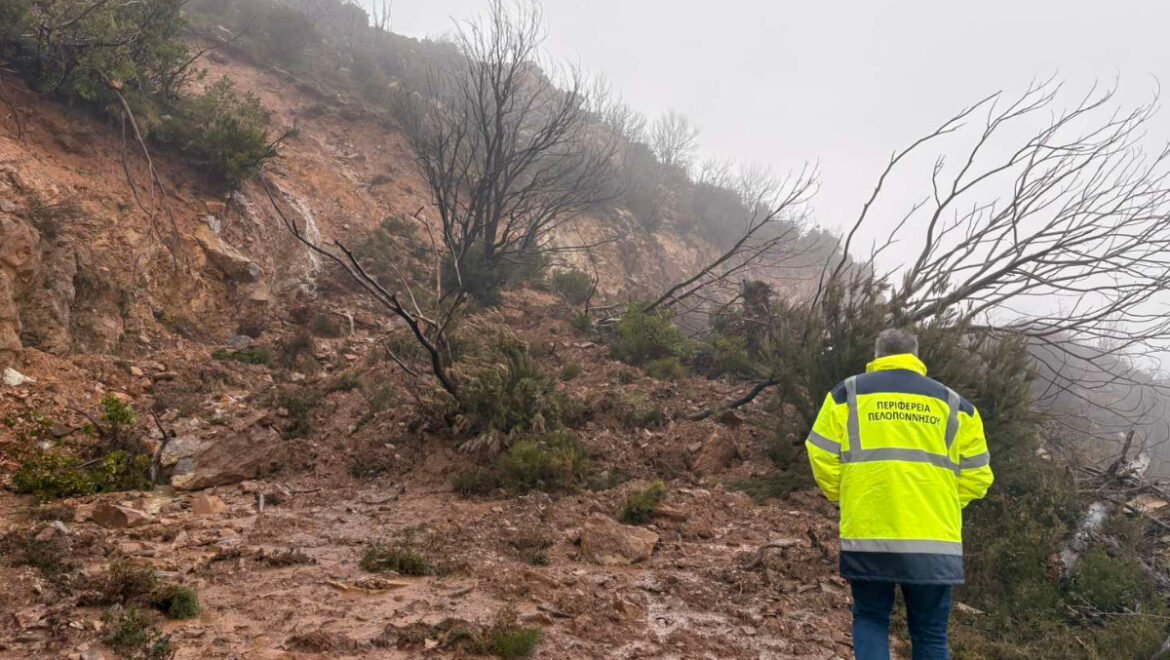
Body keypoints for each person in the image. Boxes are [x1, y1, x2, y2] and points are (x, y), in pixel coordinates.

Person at [805, 328, 994, 660]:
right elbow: (978, 476)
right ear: (916, 357)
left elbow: (819, 453)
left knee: (871, 618)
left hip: (869, 531)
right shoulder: (956, 405)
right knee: (931, 634)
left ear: (877, 356)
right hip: (935, 538)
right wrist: (944, 502)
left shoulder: (847, 394)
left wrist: (846, 495)